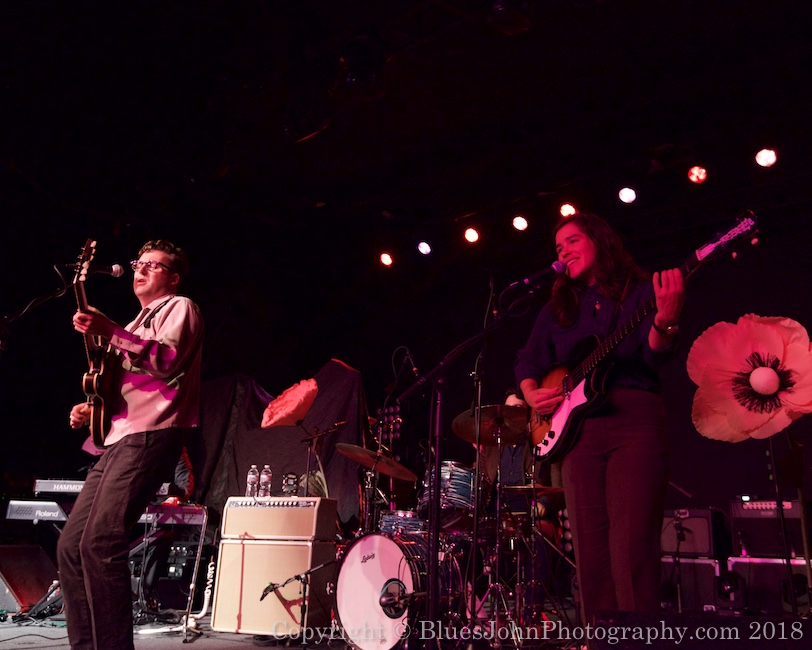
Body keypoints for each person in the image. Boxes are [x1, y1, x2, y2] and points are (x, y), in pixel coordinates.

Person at [515, 213, 684, 626]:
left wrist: (665, 321)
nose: (564, 251)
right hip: (578, 433)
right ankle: (600, 638)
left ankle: (638, 638)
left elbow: (653, 354)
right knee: (589, 550)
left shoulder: (638, 291)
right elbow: (527, 360)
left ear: (599, 241)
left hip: (633, 419)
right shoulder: (557, 309)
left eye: (573, 241)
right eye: (558, 247)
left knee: (631, 546)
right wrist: (531, 393)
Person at [57, 239, 204, 650]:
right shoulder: (135, 323)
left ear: (173, 278)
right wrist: (93, 408)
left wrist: (109, 331)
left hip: (153, 432)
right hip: (121, 436)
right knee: (71, 546)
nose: (140, 269)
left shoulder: (180, 307)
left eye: (153, 265)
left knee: (102, 541)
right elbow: (122, 385)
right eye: (139, 262)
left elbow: (166, 361)